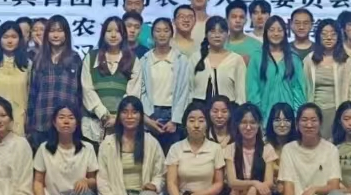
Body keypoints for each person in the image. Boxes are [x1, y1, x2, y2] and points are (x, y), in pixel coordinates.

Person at [96, 96, 165, 195]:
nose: (129, 116)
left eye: (134, 112)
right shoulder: (108, 143)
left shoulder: (151, 142)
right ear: (119, 116)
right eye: (125, 112)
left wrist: (154, 185)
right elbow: (102, 179)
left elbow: (161, 173)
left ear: (141, 116)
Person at [32, 104, 99, 195]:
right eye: (61, 117)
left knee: (86, 193)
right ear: (54, 122)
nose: (66, 121)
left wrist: (86, 181)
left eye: (71, 118)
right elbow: (38, 181)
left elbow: (94, 181)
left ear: (77, 123)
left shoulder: (87, 148)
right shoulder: (44, 148)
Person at [130, 15, 193, 151]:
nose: (162, 34)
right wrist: (148, 119)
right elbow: (140, 90)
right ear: (152, 35)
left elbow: (185, 91)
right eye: (158, 31)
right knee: (149, 155)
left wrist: (175, 120)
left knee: (173, 156)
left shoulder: (182, 60)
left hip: (173, 115)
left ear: (172, 33)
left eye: (166, 30)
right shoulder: (144, 60)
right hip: (150, 114)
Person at [27, 15, 86, 147]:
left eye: (60, 31)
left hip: (67, 122)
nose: (55, 35)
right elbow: (33, 92)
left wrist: (79, 119)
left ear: (66, 34)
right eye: (52, 31)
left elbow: (80, 93)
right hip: (42, 120)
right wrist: (29, 121)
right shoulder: (39, 59)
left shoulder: (74, 58)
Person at [81, 16, 135, 142]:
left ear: (123, 34)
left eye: (118, 31)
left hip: (123, 124)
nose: (113, 35)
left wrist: (118, 117)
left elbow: (133, 92)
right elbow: (87, 89)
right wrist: (104, 114)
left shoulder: (132, 59)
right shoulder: (91, 57)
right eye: (109, 31)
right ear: (103, 34)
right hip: (93, 125)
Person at [247, 16, 305, 120]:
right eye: (272, 30)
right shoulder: (257, 57)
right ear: (266, 32)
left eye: (280, 30)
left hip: (290, 117)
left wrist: (297, 115)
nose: (276, 33)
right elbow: (253, 89)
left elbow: (299, 89)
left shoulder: (294, 58)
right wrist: (257, 115)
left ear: (285, 33)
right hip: (264, 116)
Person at [0, 21, 32, 124]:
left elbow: (29, 94)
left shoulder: (27, 64)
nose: (10, 41)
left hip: (19, 118)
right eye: (5, 37)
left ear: (20, 39)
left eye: (14, 37)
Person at [304, 21, 351, 120]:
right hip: (314, 112)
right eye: (324, 34)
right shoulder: (309, 59)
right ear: (318, 36)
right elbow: (304, 88)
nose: (329, 38)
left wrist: (350, 113)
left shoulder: (345, 61)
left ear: (338, 37)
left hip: (338, 110)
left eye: (333, 34)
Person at [193, 16, 249, 105]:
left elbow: (241, 92)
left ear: (227, 34)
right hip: (199, 108)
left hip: (228, 109)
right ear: (206, 34)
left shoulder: (236, 59)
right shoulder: (195, 58)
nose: (217, 35)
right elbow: (188, 89)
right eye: (212, 31)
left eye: (221, 32)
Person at [223, 0, 262, 69]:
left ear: (246, 21)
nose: (238, 21)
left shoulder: (258, 46)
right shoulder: (219, 45)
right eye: (234, 17)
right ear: (226, 20)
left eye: (241, 17)